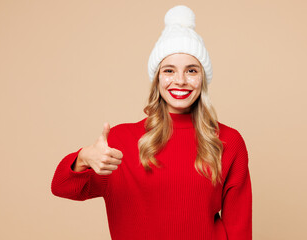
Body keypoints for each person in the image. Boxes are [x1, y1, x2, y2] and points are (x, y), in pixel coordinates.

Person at [51, 5, 252, 240]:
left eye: (191, 71)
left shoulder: (228, 141)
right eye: (169, 70)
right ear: (157, 79)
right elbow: (62, 186)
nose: (180, 80)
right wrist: (83, 157)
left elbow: (239, 229)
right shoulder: (119, 142)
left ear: (202, 79)